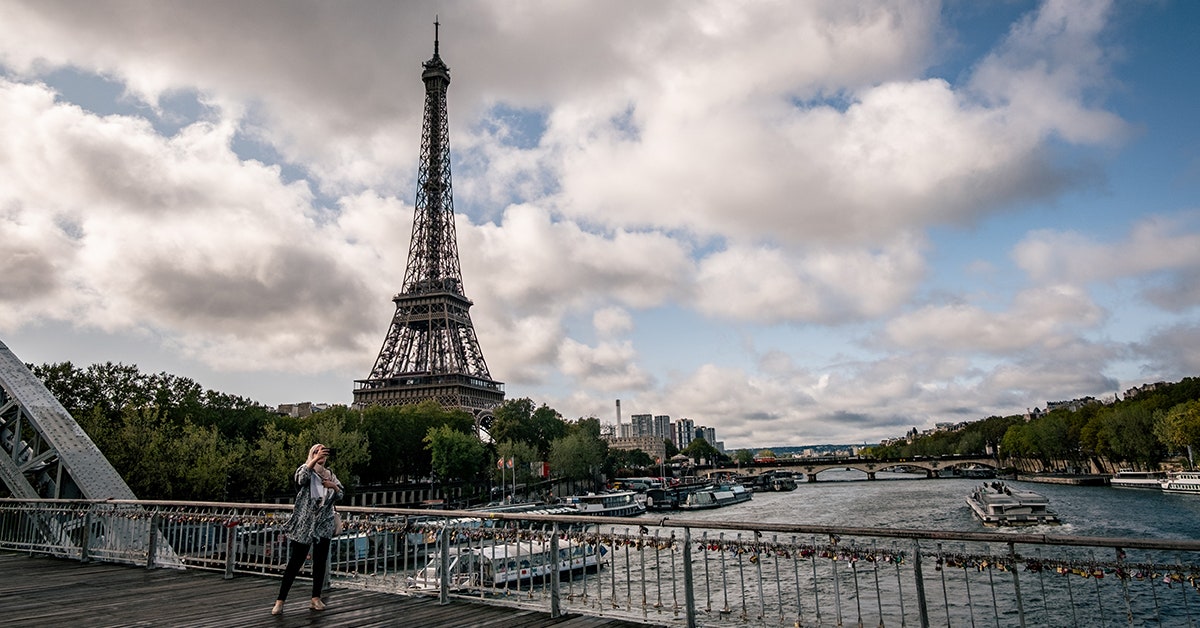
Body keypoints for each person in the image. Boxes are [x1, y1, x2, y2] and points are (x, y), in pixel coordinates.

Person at [271, 443, 343, 615]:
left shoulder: (330, 475)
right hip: (306, 523)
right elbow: (300, 478)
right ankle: (280, 601)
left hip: (324, 523)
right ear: (312, 454)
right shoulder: (307, 470)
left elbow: (340, 494)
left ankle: (315, 598)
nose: (322, 455)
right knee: (295, 562)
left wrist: (332, 486)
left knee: (320, 562)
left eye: (324, 452)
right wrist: (313, 461)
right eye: (318, 451)